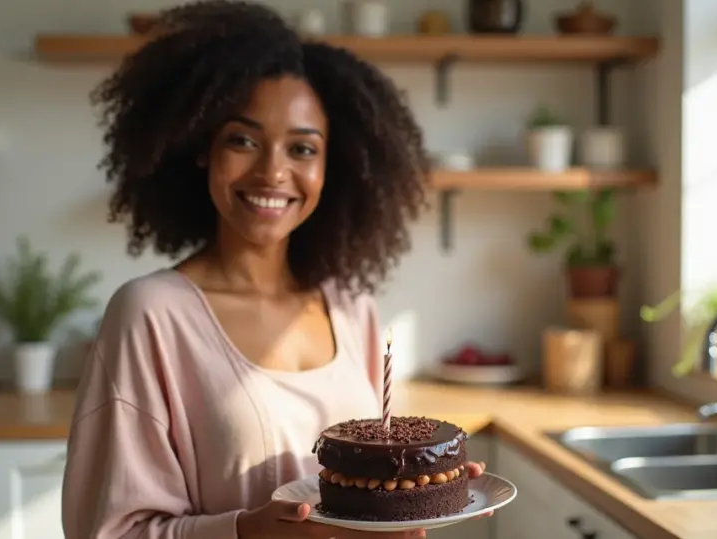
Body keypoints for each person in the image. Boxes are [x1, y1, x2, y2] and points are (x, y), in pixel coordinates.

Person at [61, 2, 489, 538]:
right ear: (201, 149)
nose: (272, 172)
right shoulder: (150, 315)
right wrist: (251, 531)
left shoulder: (352, 306)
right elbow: (108, 532)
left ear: (335, 165)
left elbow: (375, 494)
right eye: (243, 140)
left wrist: (420, 502)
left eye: (302, 148)